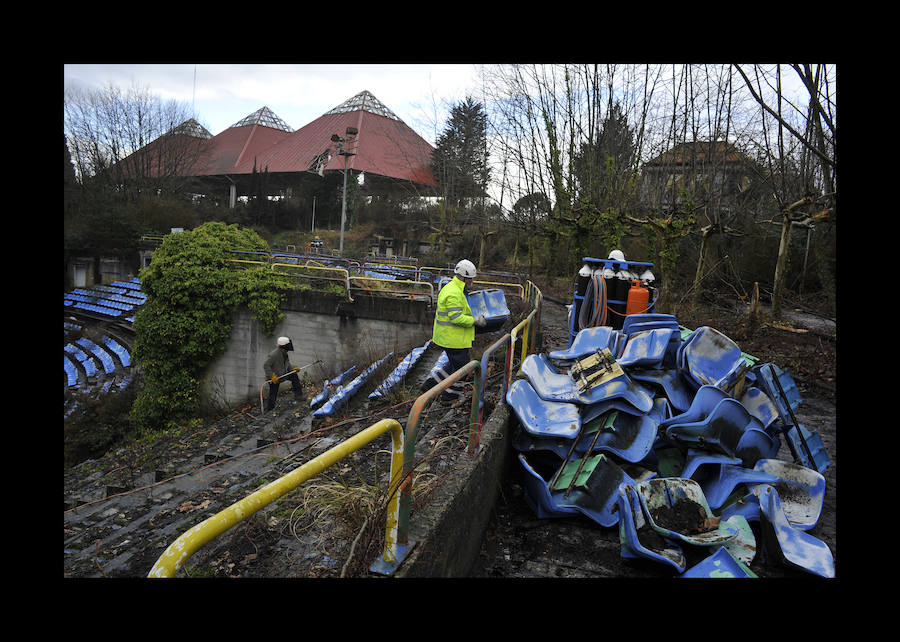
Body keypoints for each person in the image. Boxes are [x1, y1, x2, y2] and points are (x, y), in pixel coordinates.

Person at [423, 259, 486, 404]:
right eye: (470, 279)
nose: (472, 282)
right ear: (463, 277)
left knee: (452, 365)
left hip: (451, 337)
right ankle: (449, 398)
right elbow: (456, 318)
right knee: (462, 368)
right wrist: (475, 320)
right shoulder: (454, 293)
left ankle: (431, 385)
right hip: (452, 338)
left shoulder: (454, 288)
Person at [264, 336, 303, 412]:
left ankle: (299, 395)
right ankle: (269, 410)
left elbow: (287, 365)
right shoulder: (274, 355)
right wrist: (272, 376)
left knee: (294, 376)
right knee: (273, 394)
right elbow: (266, 365)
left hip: (283, 374)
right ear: (284, 346)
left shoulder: (285, 353)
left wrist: (293, 369)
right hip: (274, 378)